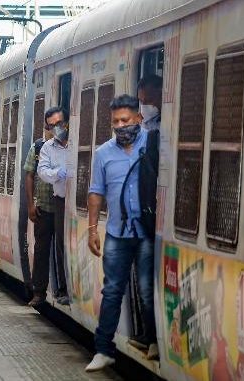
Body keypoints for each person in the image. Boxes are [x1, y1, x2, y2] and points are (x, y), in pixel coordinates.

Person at [85, 95, 158, 372]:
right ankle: (103, 349)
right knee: (113, 290)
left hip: (145, 231)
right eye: (115, 121)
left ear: (138, 118)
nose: (120, 126)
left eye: (125, 120)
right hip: (117, 231)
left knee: (146, 288)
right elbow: (96, 192)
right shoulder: (103, 153)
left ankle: (153, 340)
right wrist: (93, 229)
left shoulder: (152, 145)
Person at [36, 106, 70, 306]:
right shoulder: (48, 147)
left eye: (59, 123)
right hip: (61, 200)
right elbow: (42, 171)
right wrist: (59, 173)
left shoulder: (78, 141)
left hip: (82, 200)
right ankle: (63, 288)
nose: (57, 128)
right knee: (61, 244)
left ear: (67, 121)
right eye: (52, 125)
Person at [23, 112, 57, 307]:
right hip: (43, 207)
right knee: (41, 249)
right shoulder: (37, 147)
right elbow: (29, 175)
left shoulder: (65, 146)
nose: (51, 131)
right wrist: (30, 205)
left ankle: (61, 288)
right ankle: (39, 291)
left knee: (60, 249)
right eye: (48, 127)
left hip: (62, 208)